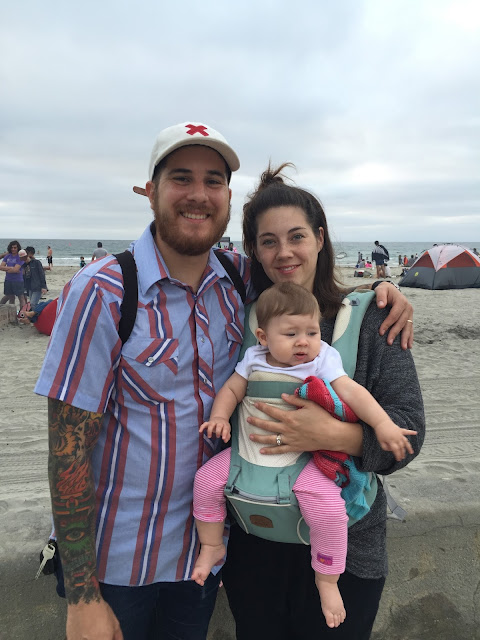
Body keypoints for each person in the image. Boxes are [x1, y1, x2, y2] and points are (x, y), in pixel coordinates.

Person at [34, 123, 413, 640]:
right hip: (125, 564)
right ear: (150, 190)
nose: (198, 194)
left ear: (228, 198)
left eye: (213, 181)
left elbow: (308, 289)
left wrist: (387, 290)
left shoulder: (239, 283)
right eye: (181, 178)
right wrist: (82, 596)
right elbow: (67, 451)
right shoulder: (107, 291)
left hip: (206, 560)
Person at [221, 164, 424, 640]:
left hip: (348, 549)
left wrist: (333, 435)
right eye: (268, 241)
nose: (284, 252)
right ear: (253, 251)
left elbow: (409, 431)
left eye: (296, 236)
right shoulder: (241, 321)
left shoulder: (372, 318)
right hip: (254, 538)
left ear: (319, 237)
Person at [192, 282, 417, 629]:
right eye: (291, 334)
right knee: (205, 481)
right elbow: (232, 390)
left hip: (301, 463)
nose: (304, 342)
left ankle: (327, 579)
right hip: (247, 455)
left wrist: (383, 425)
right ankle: (211, 546)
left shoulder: (322, 358)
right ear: (263, 337)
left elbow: (352, 393)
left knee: (329, 511)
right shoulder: (253, 357)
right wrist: (220, 417)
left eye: (312, 332)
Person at [0, 240, 27, 309]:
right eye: (12, 247)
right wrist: (11, 268)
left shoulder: (20, 257)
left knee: (21, 297)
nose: (13, 249)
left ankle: (22, 312)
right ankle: (11, 311)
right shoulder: (7, 256)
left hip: (18, 280)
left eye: (15, 248)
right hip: (8, 280)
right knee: (10, 297)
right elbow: (1, 267)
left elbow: (16, 269)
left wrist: (7, 269)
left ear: (18, 248)